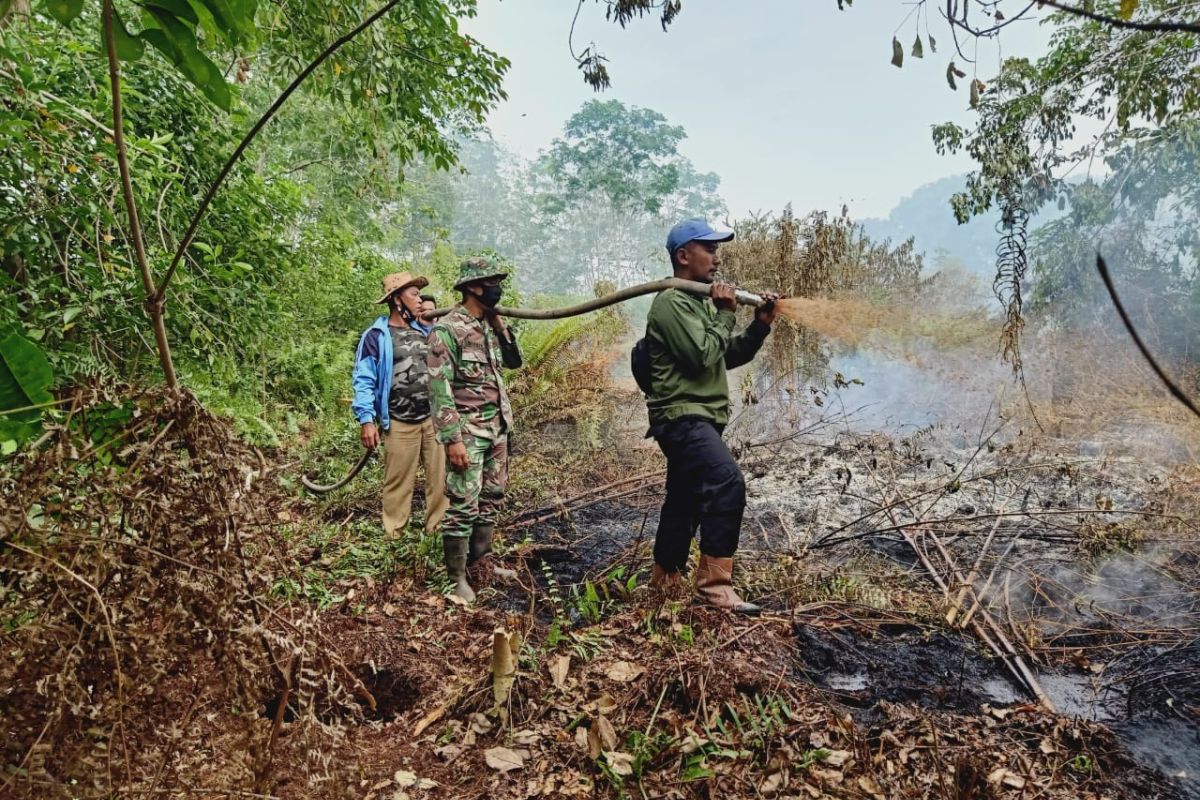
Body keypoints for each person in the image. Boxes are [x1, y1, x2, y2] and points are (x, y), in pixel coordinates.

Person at [642, 219, 778, 614]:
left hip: (698, 416)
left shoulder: (694, 303)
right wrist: (724, 313)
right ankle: (715, 586)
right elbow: (702, 355)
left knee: (684, 499)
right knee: (726, 481)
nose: (717, 259)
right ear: (684, 256)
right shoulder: (670, 302)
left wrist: (759, 326)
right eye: (709, 250)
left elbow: (726, 354)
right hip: (682, 417)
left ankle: (664, 579)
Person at [427, 257, 523, 602]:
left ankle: (481, 563)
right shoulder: (447, 330)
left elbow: (514, 363)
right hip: (468, 433)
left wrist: (501, 328)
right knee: (463, 504)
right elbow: (440, 391)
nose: (497, 288)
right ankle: (456, 578)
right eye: (491, 282)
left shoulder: (488, 326)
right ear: (473, 287)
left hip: (497, 429)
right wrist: (452, 440)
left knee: (491, 498)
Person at [352, 272, 448, 541]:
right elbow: (363, 378)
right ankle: (394, 535)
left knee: (439, 480)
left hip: (432, 419)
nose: (420, 300)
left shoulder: (424, 332)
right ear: (397, 300)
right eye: (414, 295)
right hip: (399, 420)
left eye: (419, 295)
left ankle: (437, 531)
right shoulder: (376, 336)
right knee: (398, 483)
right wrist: (367, 420)